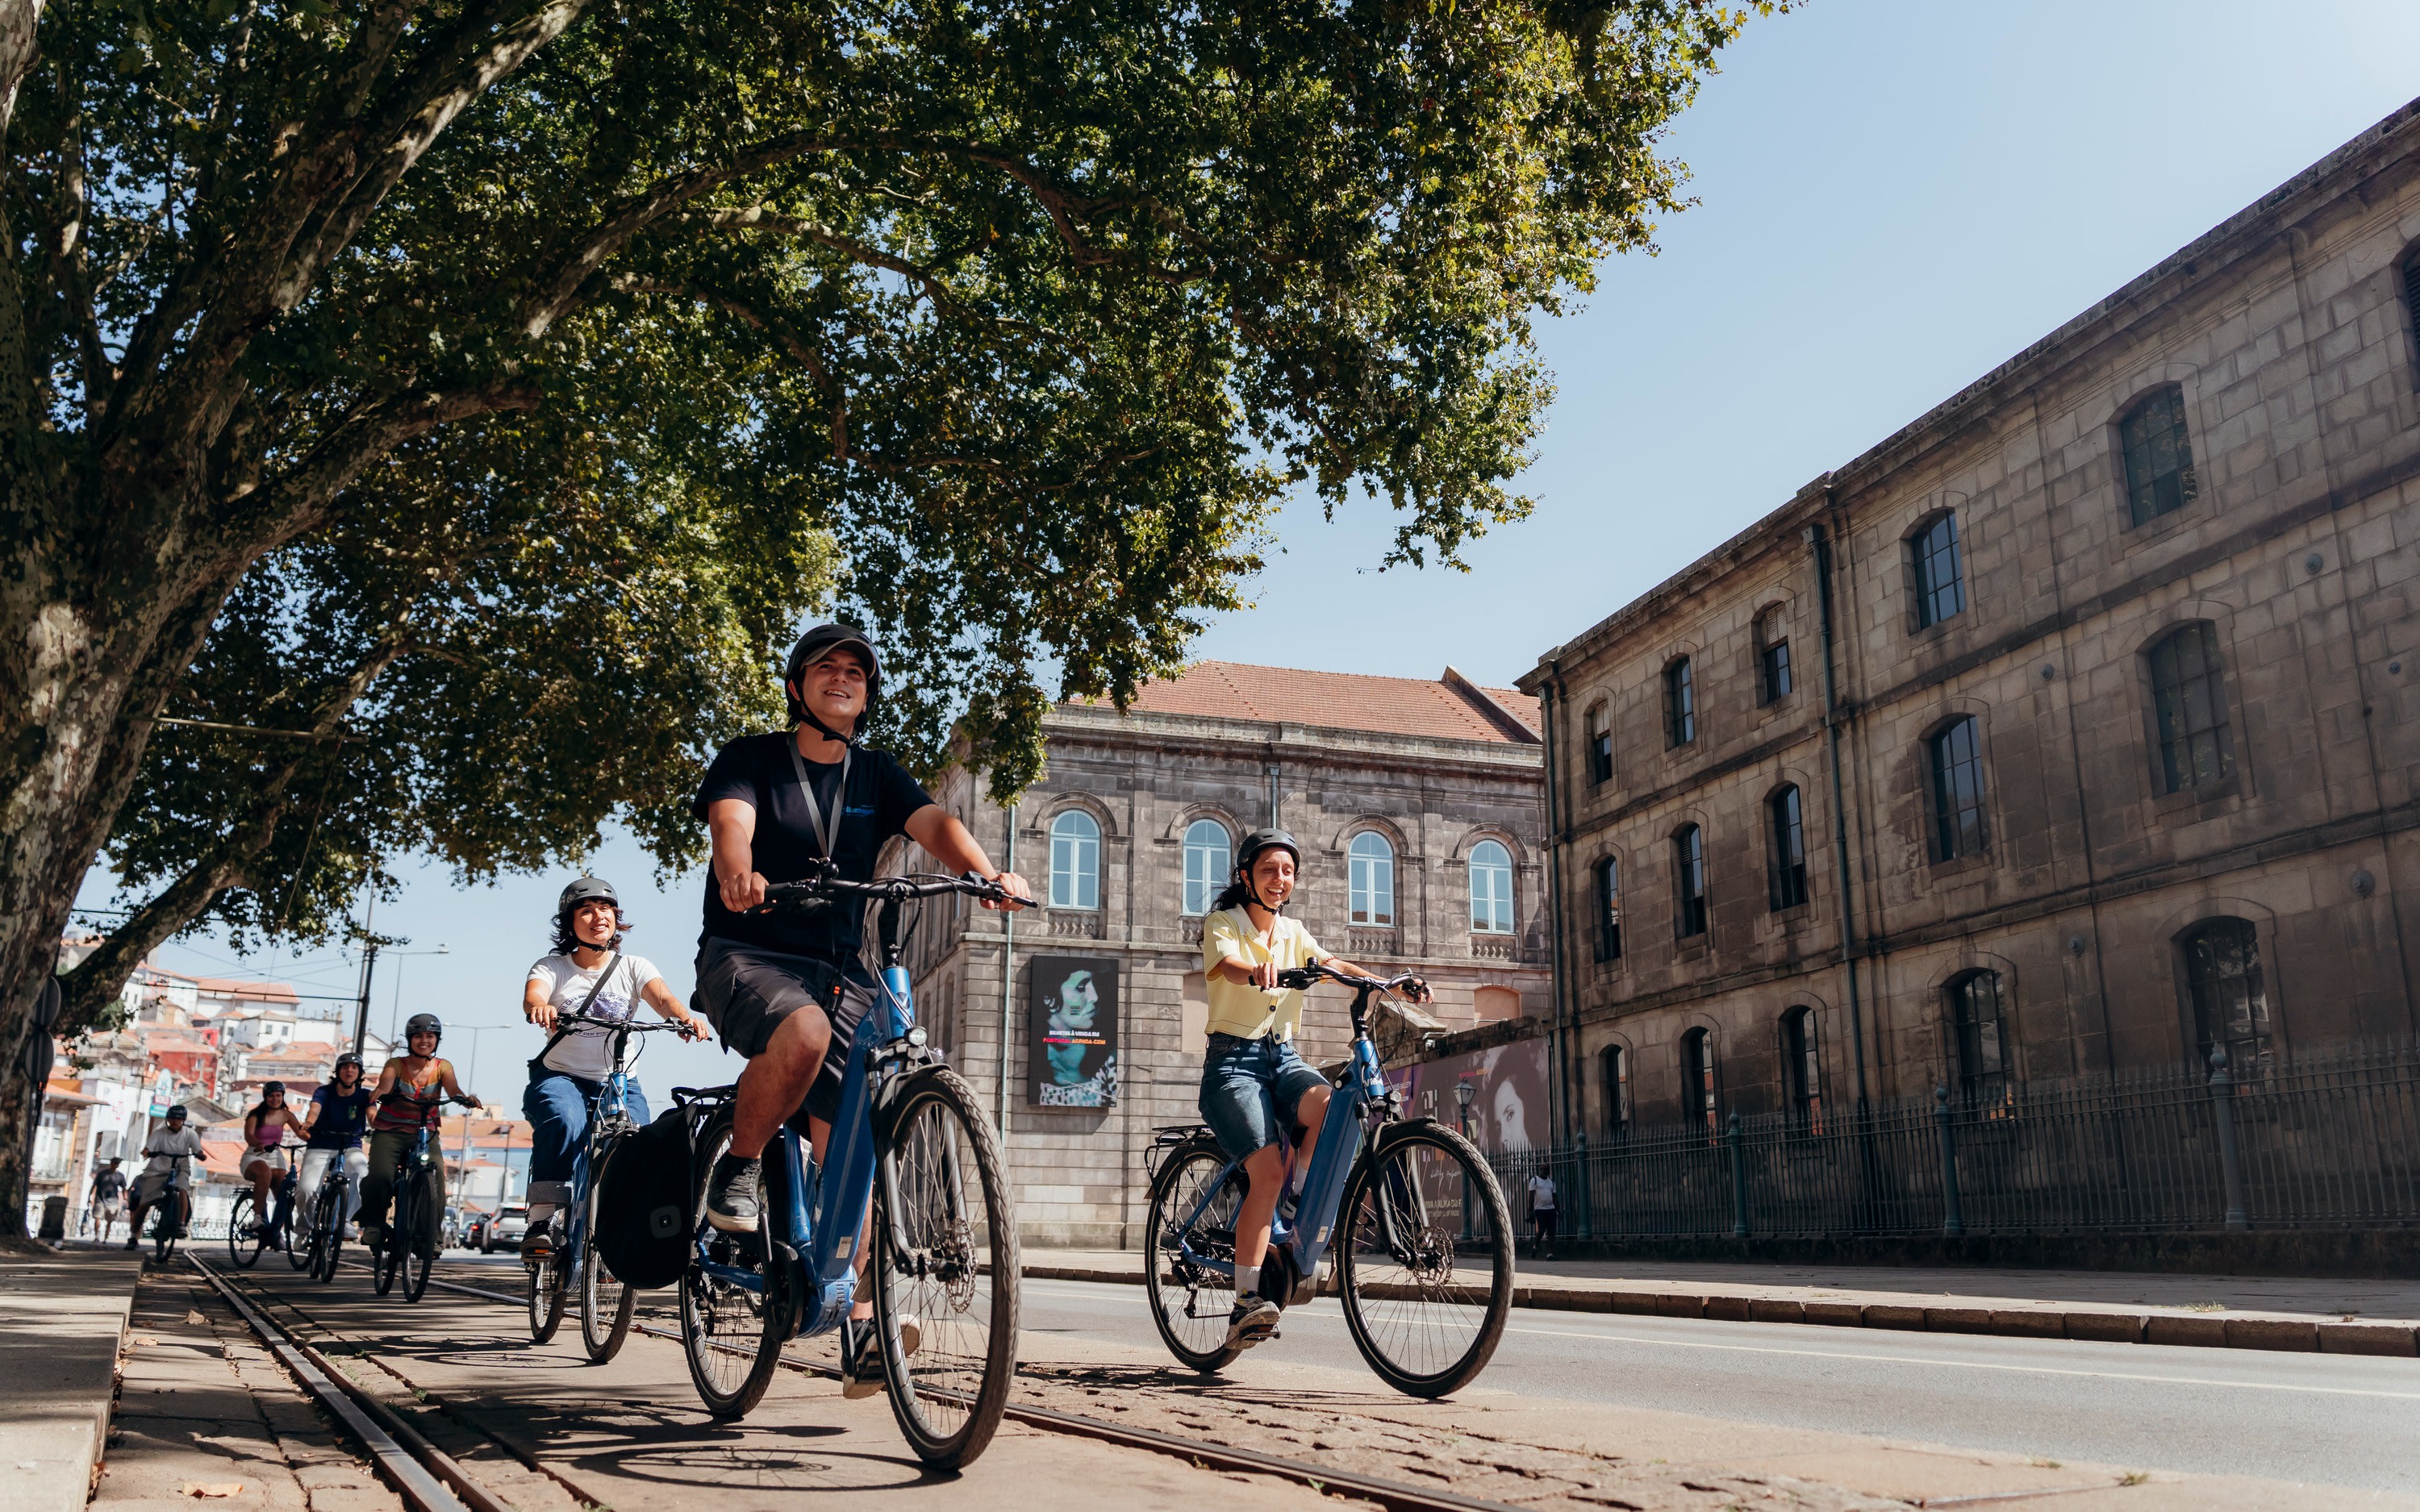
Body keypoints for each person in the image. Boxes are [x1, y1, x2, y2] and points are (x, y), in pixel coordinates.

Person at [691, 622, 1030, 1395]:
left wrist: (986, 872)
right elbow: (730, 821)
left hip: (842, 965)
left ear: (866, 694)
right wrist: (738, 870)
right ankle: (739, 1169)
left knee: (852, 1143)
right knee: (803, 1034)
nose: (842, 677)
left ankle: (867, 1327)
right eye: (825, 667)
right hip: (751, 953)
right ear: (796, 685)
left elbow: (932, 822)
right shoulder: (752, 759)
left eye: (856, 671)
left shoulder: (876, 773)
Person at [1198, 828, 1426, 1349]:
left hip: (1284, 1058)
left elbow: (1334, 964)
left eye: (1288, 871)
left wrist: (1386, 983)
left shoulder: (1295, 931)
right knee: (1267, 1171)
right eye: (1269, 870)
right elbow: (1227, 966)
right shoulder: (1224, 923)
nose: (1280, 879)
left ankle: (1291, 1203)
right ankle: (1245, 1300)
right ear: (1245, 877)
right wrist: (1255, 970)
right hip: (1234, 1064)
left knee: (1332, 1107)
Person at [519, 874, 707, 1262]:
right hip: (560, 1077)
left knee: (640, 1143)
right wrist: (541, 1007)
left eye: (605, 909)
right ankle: (543, 1221)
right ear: (571, 923)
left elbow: (663, 998)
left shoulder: (634, 966)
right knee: (565, 1121)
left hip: (619, 1084)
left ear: (616, 919)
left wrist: (683, 1018)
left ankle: (617, 1231)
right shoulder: (552, 967)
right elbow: (534, 994)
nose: (597, 916)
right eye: (585, 911)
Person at [358, 1014, 481, 1252]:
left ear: (437, 1040)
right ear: (409, 1039)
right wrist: (380, 1092)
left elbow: (453, 1089)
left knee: (437, 1178)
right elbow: (385, 1083)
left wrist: (466, 1100)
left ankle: (432, 1236)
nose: (424, 1041)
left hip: (426, 1132)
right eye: (418, 1036)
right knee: (380, 1176)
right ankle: (373, 1224)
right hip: (390, 1131)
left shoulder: (442, 1066)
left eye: (430, 1036)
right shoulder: (395, 1064)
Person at [298, 1054, 373, 1241]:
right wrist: (309, 1123)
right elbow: (315, 1109)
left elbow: (372, 1115)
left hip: (350, 1146)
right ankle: (303, 1230)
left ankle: (345, 1220)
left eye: (354, 1068)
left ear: (360, 1073)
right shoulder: (324, 1092)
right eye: (345, 1067)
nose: (349, 1071)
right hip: (321, 1145)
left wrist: (379, 1126)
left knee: (361, 1172)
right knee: (306, 1189)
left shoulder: (364, 1095)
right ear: (338, 1072)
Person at [240, 1082, 308, 1248]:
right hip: (255, 1154)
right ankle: (257, 1218)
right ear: (265, 1097)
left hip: (275, 1154)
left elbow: (300, 1132)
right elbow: (249, 1136)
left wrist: (316, 1139)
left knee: (283, 1188)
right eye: (271, 1096)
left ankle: (276, 1232)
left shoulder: (286, 1115)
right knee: (264, 1173)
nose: (275, 1099)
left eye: (278, 1095)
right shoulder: (255, 1115)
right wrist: (259, 1143)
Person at [127, 1106, 205, 1250]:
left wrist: (199, 1154)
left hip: (180, 1168)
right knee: (144, 1204)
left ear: (183, 1120)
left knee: (182, 1189)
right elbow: (148, 1148)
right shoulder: (159, 1133)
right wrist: (147, 1152)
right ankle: (133, 1235)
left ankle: (182, 1224)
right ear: (168, 1119)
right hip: (157, 1170)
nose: (175, 1121)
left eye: (178, 1118)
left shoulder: (190, 1134)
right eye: (172, 1118)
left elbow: (197, 1149)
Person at [88, 1159, 126, 1242]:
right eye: (115, 1163)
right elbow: (94, 1185)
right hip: (100, 1199)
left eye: (117, 1163)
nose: (116, 1165)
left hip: (113, 1201)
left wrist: (125, 1199)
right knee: (97, 1218)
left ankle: (105, 1239)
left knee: (110, 1221)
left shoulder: (120, 1176)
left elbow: (124, 1188)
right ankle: (96, 1237)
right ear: (111, 1163)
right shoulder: (102, 1174)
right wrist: (90, 1197)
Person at [1525, 1168, 1558, 1260]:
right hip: (1540, 1209)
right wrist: (1530, 1210)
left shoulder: (1551, 1182)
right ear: (1541, 1171)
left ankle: (1550, 1253)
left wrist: (1558, 1210)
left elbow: (1555, 1197)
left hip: (1551, 1209)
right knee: (1542, 1229)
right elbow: (1531, 1196)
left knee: (1551, 1232)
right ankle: (1536, 1245)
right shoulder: (1534, 1181)